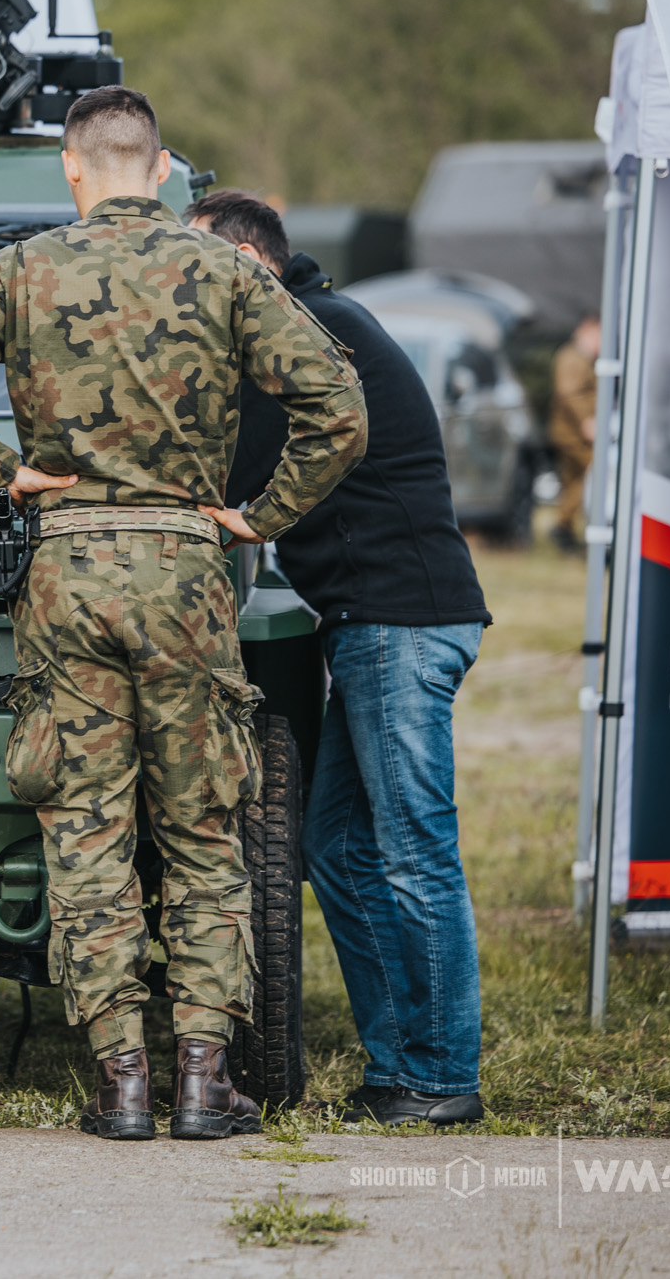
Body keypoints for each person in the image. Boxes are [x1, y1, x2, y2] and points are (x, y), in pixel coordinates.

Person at [0, 89, 366, 1142]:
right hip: (188, 569)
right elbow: (337, 407)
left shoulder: (23, 270)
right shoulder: (224, 273)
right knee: (202, 827)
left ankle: (118, 1080)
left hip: (67, 570)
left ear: (69, 171)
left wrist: (3, 471)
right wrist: (256, 516)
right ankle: (202, 1075)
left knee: (86, 826)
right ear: (155, 172)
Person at [185, 189, 492, 1127]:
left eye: (200, 270)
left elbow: (225, 471)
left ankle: (442, 1078)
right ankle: (399, 1063)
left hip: (400, 622)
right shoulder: (311, 324)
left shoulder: (317, 335)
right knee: (335, 846)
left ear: (250, 265)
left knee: (411, 848)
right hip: (369, 622)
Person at [548, 314, 600, 551]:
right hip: (573, 433)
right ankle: (563, 527)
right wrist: (587, 421)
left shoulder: (582, 358)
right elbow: (569, 393)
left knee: (575, 482)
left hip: (575, 432)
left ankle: (564, 529)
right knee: (589, 475)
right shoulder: (572, 357)